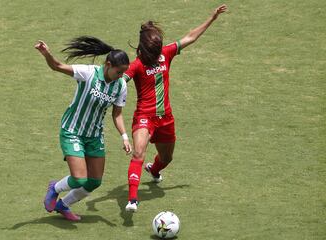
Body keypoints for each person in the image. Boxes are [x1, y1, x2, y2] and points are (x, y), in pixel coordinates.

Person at [123, 4, 227, 211]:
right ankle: (132, 199)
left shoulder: (166, 54)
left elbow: (190, 37)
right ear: (144, 48)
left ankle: (153, 170)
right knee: (138, 153)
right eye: (153, 50)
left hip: (166, 118)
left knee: (166, 158)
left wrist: (212, 18)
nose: (156, 53)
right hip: (144, 117)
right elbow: (119, 80)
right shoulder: (136, 65)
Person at [34, 36, 133, 221]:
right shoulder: (88, 73)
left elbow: (117, 114)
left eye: (123, 72)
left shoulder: (120, 86)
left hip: (94, 136)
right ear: (108, 64)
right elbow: (57, 66)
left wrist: (125, 137)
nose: (121, 76)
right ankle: (54, 188)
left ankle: (64, 205)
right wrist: (46, 53)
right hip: (72, 131)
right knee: (79, 179)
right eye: (119, 71)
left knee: (94, 181)